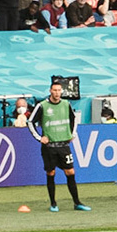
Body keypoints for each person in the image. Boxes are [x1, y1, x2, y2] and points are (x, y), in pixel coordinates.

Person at [28, 82, 90, 212]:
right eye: (54, 90)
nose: (57, 93)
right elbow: (30, 122)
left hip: (64, 145)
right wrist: (40, 137)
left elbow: (74, 119)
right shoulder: (42, 106)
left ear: (62, 91)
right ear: (50, 91)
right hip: (49, 147)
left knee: (70, 172)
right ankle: (53, 203)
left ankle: (77, 202)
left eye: (59, 90)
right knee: (51, 172)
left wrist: (73, 133)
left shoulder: (66, 104)